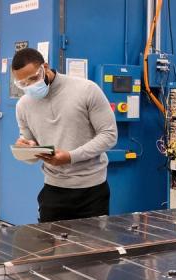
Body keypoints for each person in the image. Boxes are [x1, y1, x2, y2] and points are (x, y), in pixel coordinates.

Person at [11, 48, 118, 223]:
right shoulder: (23, 105)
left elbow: (109, 135)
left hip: (92, 191)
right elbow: (32, 154)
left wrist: (71, 157)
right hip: (53, 190)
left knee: (92, 248)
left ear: (45, 67)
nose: (30, 86)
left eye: (33, 78)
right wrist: (25, 149)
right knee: (51, 248)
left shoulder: (86, 90)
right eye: (23, 84)